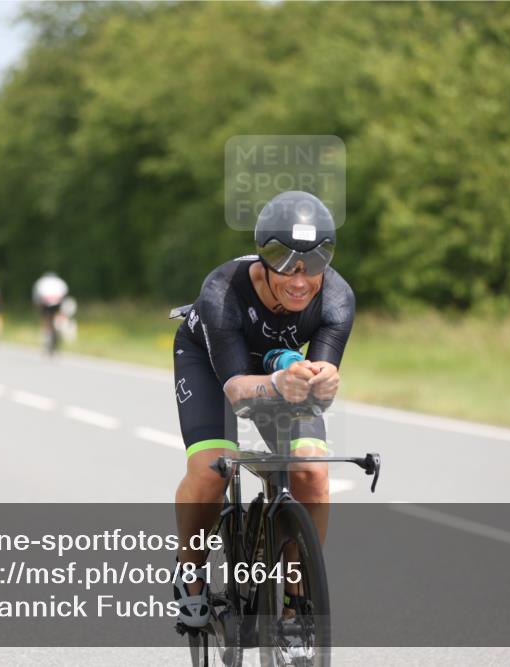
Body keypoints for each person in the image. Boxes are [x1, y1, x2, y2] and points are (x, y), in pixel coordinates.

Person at [171, 190, 355, 628]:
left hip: (280, 371)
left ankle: (297, 601)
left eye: (313, 265)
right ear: (265, 257)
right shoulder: (222, 290)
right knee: (212, 468)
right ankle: (190, 569)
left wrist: (323, 383)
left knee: (311, 470)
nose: (299, 279)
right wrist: (276, 383)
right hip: (214, 366)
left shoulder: (337, 299)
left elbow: (319, 387)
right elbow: (236, 390)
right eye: (287, 264)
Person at [31, 271, 69, 354]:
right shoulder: (60, 281)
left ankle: (46, 336)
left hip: (46, 302)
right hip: (58, 301)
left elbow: (36, 297)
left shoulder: (41, 282)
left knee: (46, 319)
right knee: (59, 314)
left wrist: (37, 307)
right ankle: (60, 326)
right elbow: (65, 295)